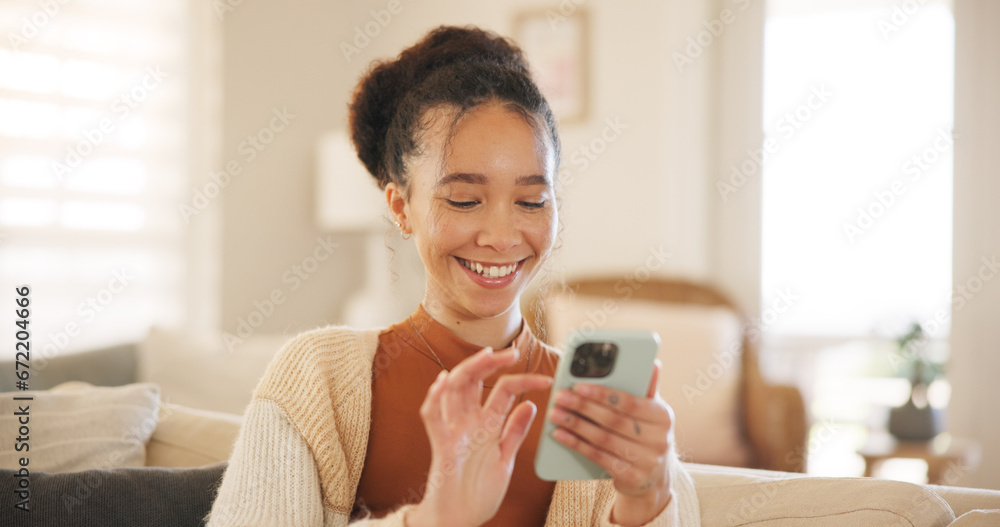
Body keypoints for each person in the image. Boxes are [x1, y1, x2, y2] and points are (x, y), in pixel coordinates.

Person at [206, 25, 700, 527]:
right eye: (464, 200)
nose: (502, 236)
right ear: (402, 207)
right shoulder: (318, 381)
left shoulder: (607, 414)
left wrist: (645, 505)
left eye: (532, 201)